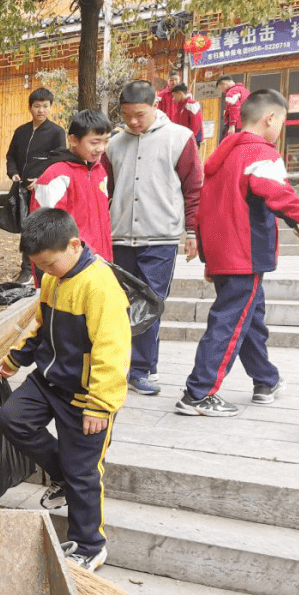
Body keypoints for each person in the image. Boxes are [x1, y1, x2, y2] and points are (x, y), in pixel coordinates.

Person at [0, 209, 131, 572]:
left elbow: (113, 350)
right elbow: (41, 326)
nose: (44, 271)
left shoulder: (99, 286)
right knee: (12, 418)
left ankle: (90, 544)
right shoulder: (53, 279)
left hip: (85, 394)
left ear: (74, 245)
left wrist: (100, 405)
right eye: (38, 265)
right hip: (48, 380)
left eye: (49, 263)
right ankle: (61, 476)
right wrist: (15, 359)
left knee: (83, 470)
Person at [176, 90, 299, 417]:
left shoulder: (222, 156)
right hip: (244, 253)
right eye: (283, 121)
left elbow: (205, 210)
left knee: (249, 319)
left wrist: (208, 256)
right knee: (230, 321)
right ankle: (198, 393)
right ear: (270, 119)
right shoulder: (260, 154)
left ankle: (265, 380)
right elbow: (281, 196)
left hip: (225, 253)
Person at [103, 80, 202, 396]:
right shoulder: (114, 145)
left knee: (150, 302)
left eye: (140, 114)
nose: (133, 121)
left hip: (160, 236)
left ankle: (143, 369)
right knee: (121, 303)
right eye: (127, 114)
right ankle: (125, 365)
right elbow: (103, 190)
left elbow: (194, 188)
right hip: (119, 237)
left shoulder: (179, 138)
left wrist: (191, 232)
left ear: (155, 107)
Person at [29, 110, 114, 277]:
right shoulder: (56, 175)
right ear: (73, 140)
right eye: (94, 142)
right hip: (70, 268)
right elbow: (46, 232)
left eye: (106, 142)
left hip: (100, 263)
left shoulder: (100, 171)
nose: (101, 149)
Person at [5, 87, 67, 278]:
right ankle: (26, 269)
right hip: (22, 189)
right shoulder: (21, 132)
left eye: (45, 106)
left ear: (50, 108)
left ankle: (44, 268)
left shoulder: (56, 132)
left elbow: (58, 160)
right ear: (30, 107)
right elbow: (11, 156)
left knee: (41, 228)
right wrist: (13, 173)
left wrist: (42, 179)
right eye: (37, 106)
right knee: (25, 228)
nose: (41, 110)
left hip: (44, 189)